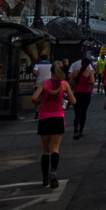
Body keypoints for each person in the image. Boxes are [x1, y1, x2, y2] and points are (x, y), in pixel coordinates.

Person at [32, 60, 76, 188]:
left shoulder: (44, 84)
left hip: (44, 118)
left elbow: (34, 97)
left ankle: (45, 178)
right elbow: (73, 101)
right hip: (58, 118)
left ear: (51, 73)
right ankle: (53, 170)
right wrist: (66, 97)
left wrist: (39, 101)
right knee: (55, 148)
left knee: (45, 150)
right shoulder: (64, 85)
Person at [70, 56, 95, 140]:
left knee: (77, 113)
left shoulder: (76, 72)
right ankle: (81, 131)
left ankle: (75, 127)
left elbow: (71, 82)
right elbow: (92, 82)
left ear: (81, 63)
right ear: (88, 64)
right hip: (86, 93)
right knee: (83, 112)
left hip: (77, 93)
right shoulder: (89, 72)